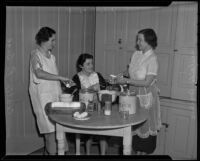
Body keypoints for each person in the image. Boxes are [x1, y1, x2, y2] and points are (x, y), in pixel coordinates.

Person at [115, 28, 162, 155]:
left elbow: (147, 82)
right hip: (133, 95)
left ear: (149, 41)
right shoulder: (136, 54)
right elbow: (132, 71)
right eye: (137, 39)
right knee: (132, 130)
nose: (137, 42)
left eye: (140, 40)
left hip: (146, 96)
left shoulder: (152, 59)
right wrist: (120, 76)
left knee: (144, 131)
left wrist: (126, 81)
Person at [29, 27, 74, 155]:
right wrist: (60, 77)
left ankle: (58, 153)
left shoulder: (52, 57)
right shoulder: (35, 55)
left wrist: (63, 83)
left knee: (60, 128)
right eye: (52, 40)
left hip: (55, 96)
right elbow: (39, 73)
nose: (54, 43)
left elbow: (52, 77)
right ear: (44, 40)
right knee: (49, 132)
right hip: (42, 99)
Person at [70, 53, 108, 155]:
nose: (91, 66)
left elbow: (104, 88)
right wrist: (90, 88)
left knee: (102, 133)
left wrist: (100, 89)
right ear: (81, 66)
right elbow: (73, 93)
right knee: (88, 134)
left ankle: (103, 154)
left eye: (92, 63)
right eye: (88, 64)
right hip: (84, 110)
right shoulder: (77, 78)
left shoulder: (97, 75)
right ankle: (87, 153)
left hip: (97, 107)